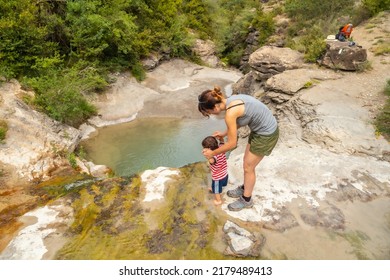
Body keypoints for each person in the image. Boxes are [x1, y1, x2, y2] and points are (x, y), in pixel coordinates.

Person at [198, 86, 279, 211]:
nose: (210, 115)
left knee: (248, 167)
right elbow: (242, 120)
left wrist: (212, 153)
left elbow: (232, 144)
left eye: (209, 112)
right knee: (246, 164)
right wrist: (224, 133)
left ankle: (247, 200)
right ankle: (245, 187)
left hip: (266, 134)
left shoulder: (230, 113)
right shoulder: (232, 100)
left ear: (214, 107)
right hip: (260, 130)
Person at [201, 135, 229, 206]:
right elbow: (222, 142)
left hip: (217, 177)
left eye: (205, 148)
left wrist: (206, 155)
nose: (203, 149)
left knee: (216, 190)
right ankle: (221, 186)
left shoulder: (214, 156)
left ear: (209, 149)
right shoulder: (221, 148)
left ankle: (218, 200)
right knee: (223, 184)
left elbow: (211, 161)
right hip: (225, 173)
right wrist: (221, 138)